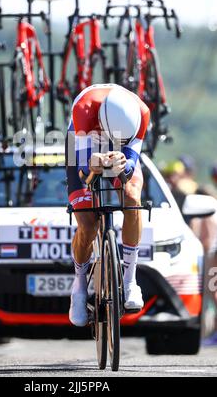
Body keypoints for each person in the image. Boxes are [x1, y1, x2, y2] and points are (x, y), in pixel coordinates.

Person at [65, 83, 150, 326]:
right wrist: (94, 163)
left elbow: (132, 160)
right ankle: (79, 287)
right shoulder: (84, 108)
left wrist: (125, 164)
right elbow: (82, 171)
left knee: (132, 197)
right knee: (88, 225)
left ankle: (130, 279)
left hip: (120, 145)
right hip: (84, 141)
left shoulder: (141, 113)